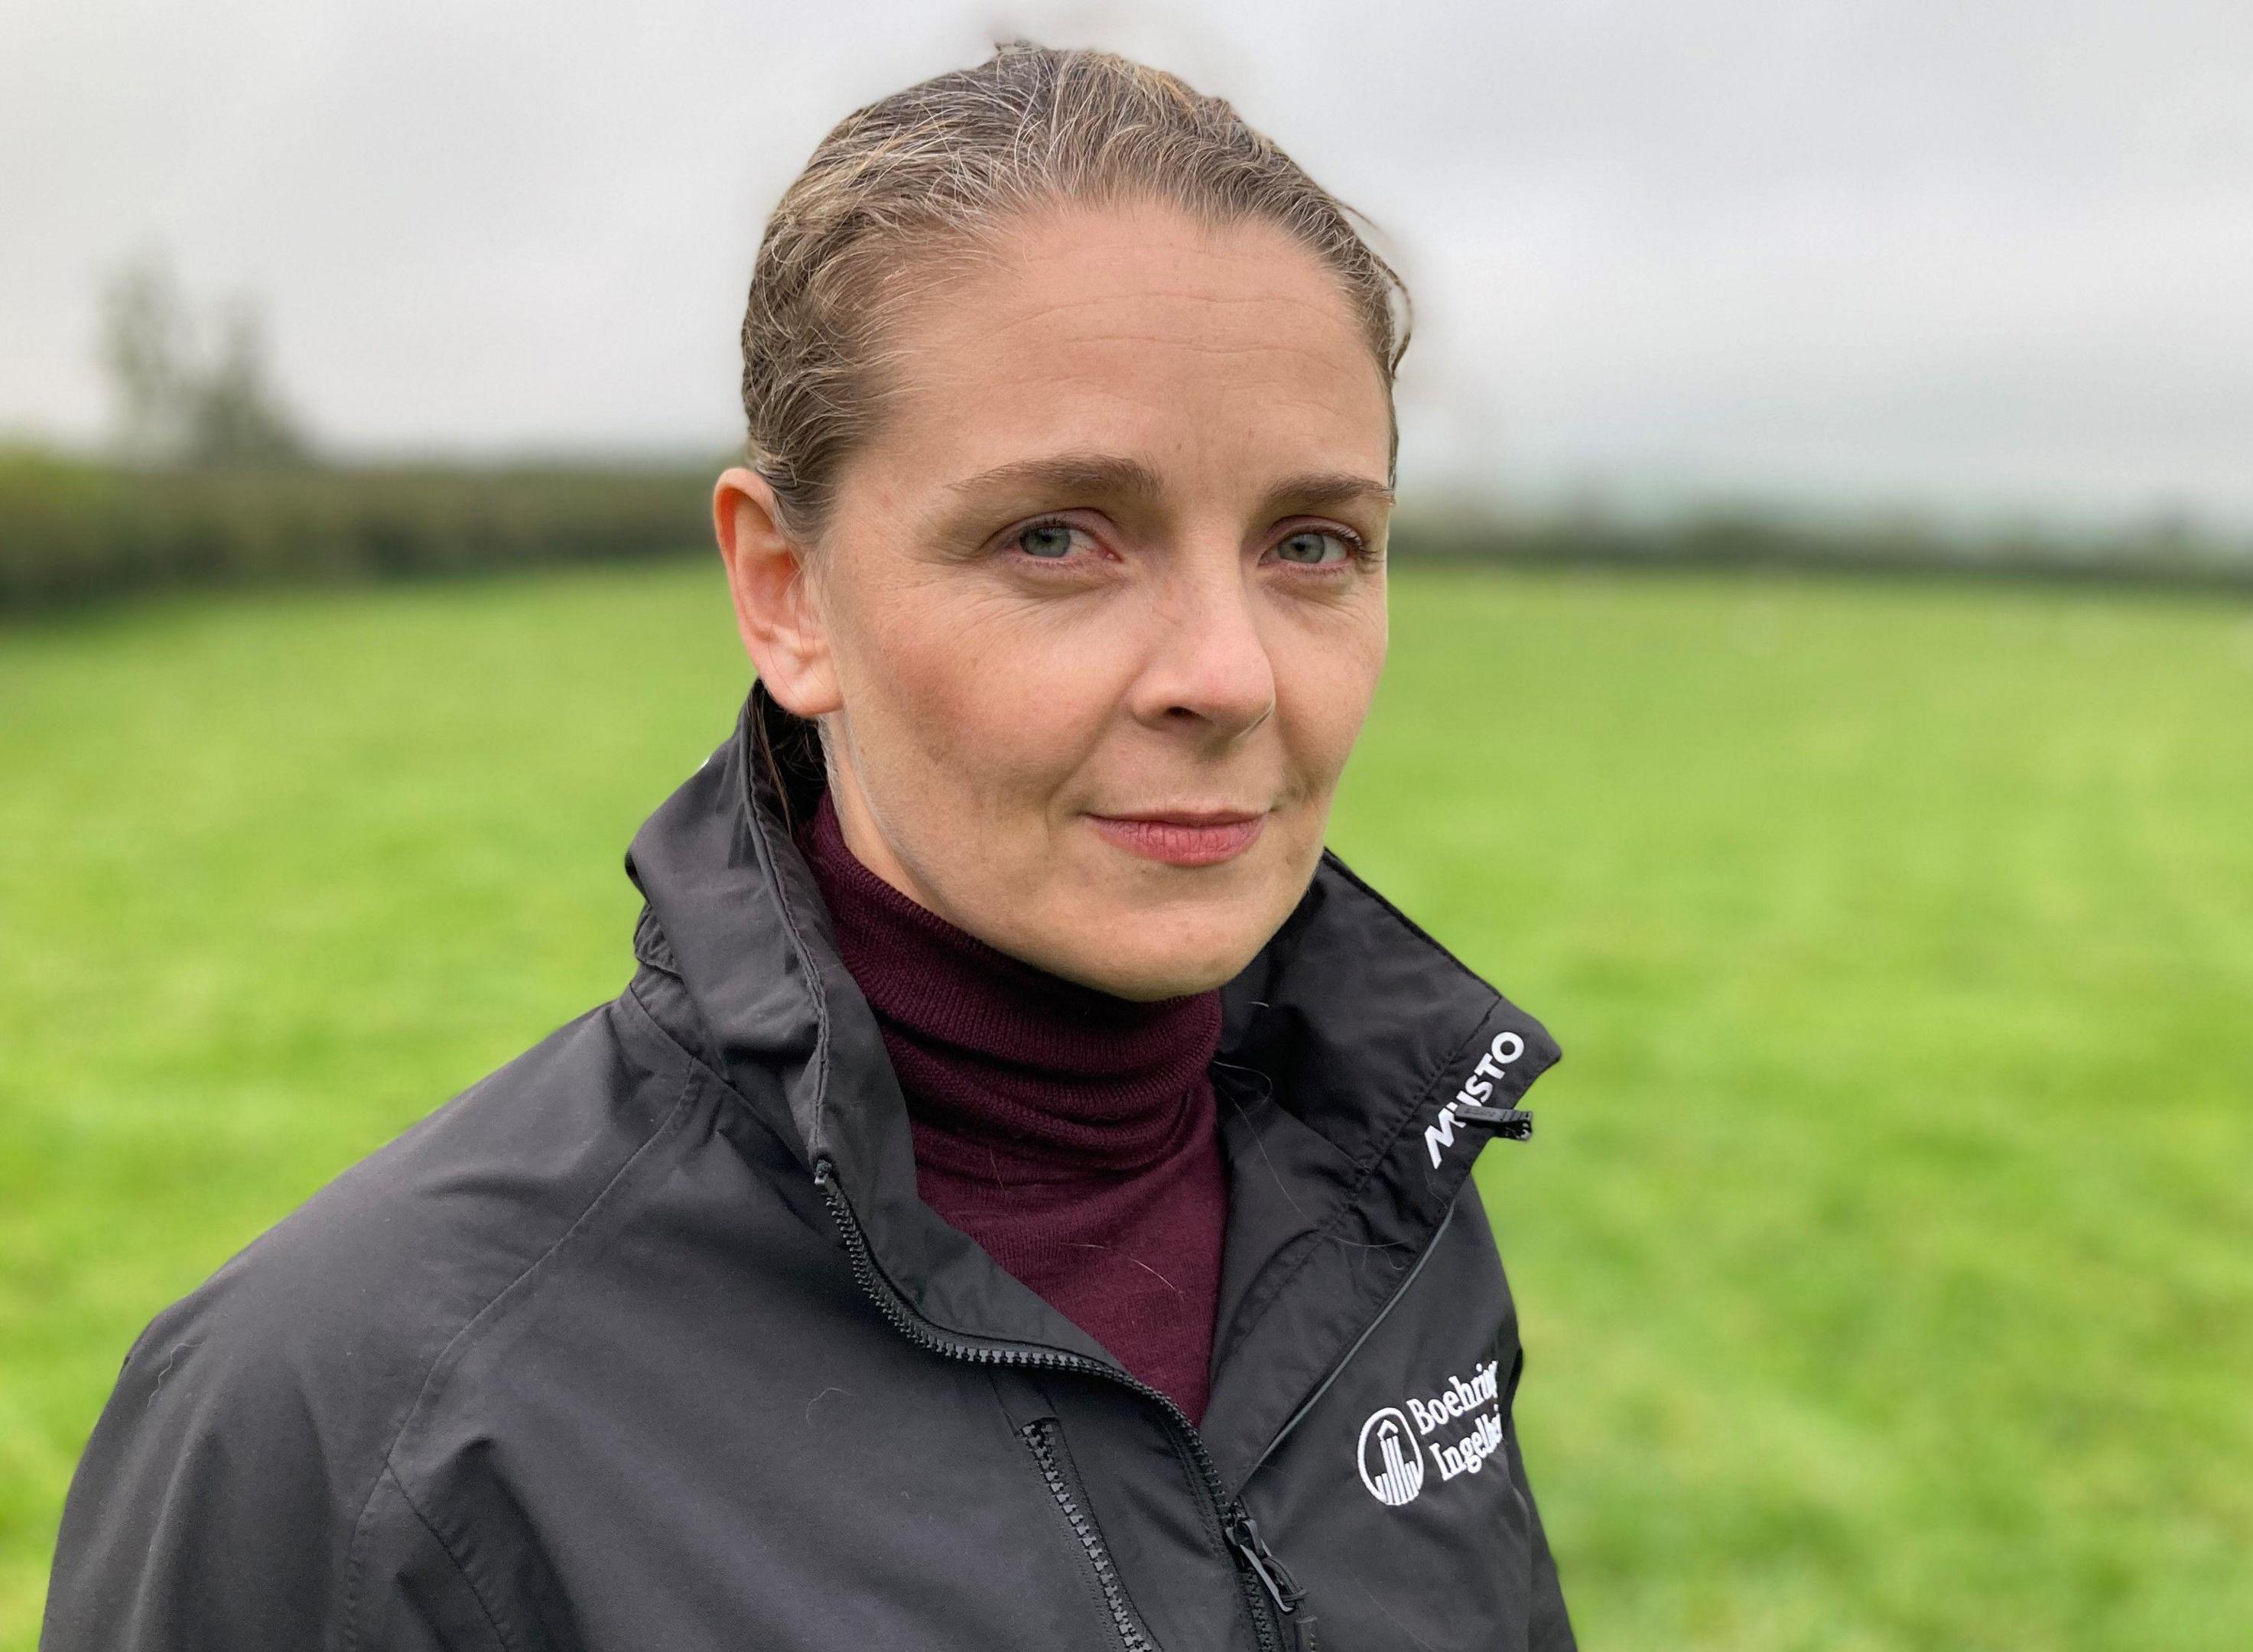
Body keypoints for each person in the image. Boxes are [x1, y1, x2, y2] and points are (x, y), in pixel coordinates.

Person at [44, 45, 1571, 1651]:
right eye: (1057, 536)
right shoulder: (356, 1421)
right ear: (785, 591)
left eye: (1314, 545)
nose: (1231, 676)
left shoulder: (1393, 1195)